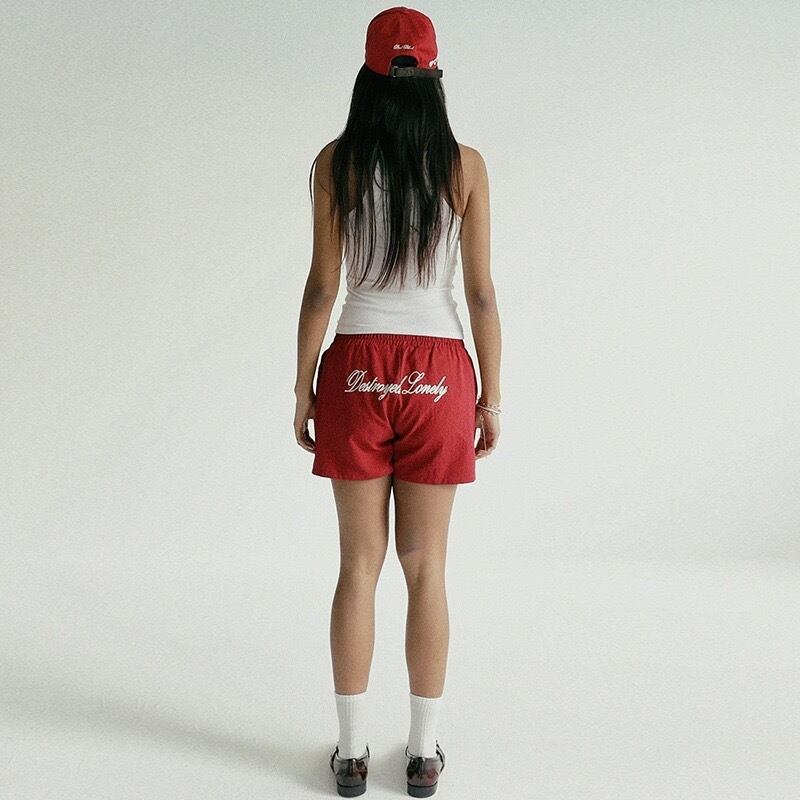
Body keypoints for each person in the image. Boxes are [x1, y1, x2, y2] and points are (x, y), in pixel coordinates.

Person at [293, 7, 501, 797]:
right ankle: (422, 752)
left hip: (356, 364)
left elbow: (323, 287)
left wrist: (305, 385)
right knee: (426, 566)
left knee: (358, 564)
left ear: (368, 79)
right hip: (439, 371)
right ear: (435, 79)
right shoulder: (466, 166)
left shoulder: (336, 162)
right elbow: (480, 294)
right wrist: (490, 397)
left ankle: (350, 754)